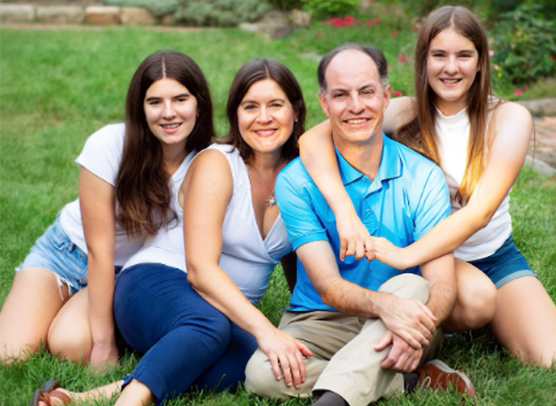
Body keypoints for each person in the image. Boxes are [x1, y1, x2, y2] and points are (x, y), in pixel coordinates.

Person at [30, 58, 313, 406]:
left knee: (251, 362)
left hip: (227, 313)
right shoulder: (219, 162)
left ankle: (86, 397)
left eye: (275, 105)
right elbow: (201, 272)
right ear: (235, 115)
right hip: (160, 281)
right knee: (211, 326)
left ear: (296, 111)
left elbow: (299, 253)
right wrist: (267, 329)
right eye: (250, 106)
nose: (263, 117)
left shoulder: (306, 174)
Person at [298, 6, 556, 366]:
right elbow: (312, 141)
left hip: (490, 256)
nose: (451, 67)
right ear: (423, 62)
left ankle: (465, 321)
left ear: (481, 61)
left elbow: (479, 213)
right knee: (475, 299)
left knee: (548, 357)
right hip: (429, 265)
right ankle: (436, 324)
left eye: (463, 55)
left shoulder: (509, 118)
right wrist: (344, 212)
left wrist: (406, 254)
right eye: (439, 55)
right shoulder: (403, 111)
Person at [245, 44, 475, 406]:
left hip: (405, 316)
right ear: (324, 103)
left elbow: (442, 284)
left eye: (366, 92)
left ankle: (333, 400)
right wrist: (383, 306)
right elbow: (329, 286)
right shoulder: (296, 181)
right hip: (321, 316)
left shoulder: (423, 176)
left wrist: (416, 322)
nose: (355, 106)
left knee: (413, 284)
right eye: (341, 95)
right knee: (260, 374)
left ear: (386, 97)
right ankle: (411, 380)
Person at [0, 50, 213, 369]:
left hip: (126, 273)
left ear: (199, 103)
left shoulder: (211, 161)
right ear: (140, 108)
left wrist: (98, 345)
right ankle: (55, 300)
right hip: (67, 254)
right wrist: (104, 344)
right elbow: (99, 249)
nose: (168, 113)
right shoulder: (109, 145)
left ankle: (73, 313)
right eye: (155, 102)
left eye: (180, 99)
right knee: (9, 355)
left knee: (71, 346)